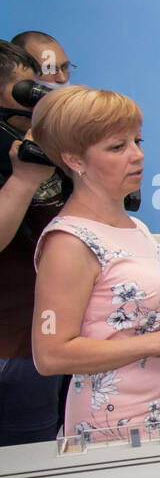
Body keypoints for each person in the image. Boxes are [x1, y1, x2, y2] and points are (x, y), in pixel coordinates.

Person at [30, 86, 160, 441]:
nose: (137, 155)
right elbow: (50, 355)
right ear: (75, 160)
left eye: (137, 141)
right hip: (113, 433)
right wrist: (154, 344)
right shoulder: (69, 242)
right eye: (117, 147)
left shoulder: (137, 227)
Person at [0, 40, 67, 445]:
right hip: (12, 351)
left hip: (47, 348)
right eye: (28, 90)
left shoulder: (41, 146)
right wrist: (23, 180)